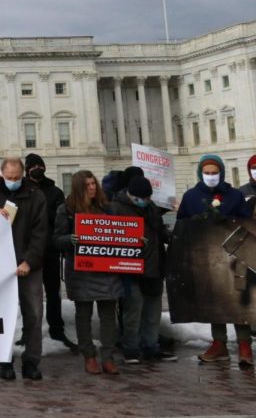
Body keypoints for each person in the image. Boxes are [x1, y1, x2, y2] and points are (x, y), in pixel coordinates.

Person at [0, 155, 47, 381]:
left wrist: (29, 261)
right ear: (1, 175)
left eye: (16, 177)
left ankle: (32, 361)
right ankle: (5, 361)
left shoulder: (36, 196)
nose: (12, 180)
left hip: (28, 265)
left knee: (34, 314)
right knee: (2, 316)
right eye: (9, 177)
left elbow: (41, 232)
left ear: (22, 175)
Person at [177, 153, 252, 365]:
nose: (211, 176)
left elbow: (246, 222)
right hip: (206, 257)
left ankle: (244, 344)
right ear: (201, 173)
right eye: (207, 173)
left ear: (221, 172)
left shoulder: (234, 195)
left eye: (214, 173)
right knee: (213, 299)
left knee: (238, 301)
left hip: (234, 255)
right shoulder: (191, 196)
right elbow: (182, 225)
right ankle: (219, 343)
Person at [54, 170, 122, 375]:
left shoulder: (107, 207)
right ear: (78, 188)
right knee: (83, 314)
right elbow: (56, 239)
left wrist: (134, 241)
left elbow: (120, 232)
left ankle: (108, 356)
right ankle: (89, 355)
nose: (92, 187)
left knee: (109, 315)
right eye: (87, 185)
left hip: (106, 268)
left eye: (94, 183)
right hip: (80, 268)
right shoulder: (65, 209)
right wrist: (70, 239)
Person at [112, 175, 175, 362]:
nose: (145, 201)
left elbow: (159, 230)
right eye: (142, 198)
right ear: (131, 194)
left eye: (148, 198)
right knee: (133, 311)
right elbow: (112, 235)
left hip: (154, 265)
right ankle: (131, 348)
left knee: (152, 312)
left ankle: (151, 346)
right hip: (130, 268)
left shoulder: (152, 207)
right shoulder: (116, 208)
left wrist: (172, 236)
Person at [24, 153, 73, 349]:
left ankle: (57, 330)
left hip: (50, 250)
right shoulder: (21, 190)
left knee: (53, 293)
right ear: (27, 169)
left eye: (40, 165)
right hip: (27, 251)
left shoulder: (55, 192)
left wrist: (40, 211)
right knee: (27, 295)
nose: (37, 168)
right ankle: (27, 333)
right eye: (33, 166)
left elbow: (61, 219)